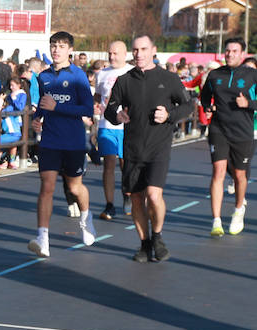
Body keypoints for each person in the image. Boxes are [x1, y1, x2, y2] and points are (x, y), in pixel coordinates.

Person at [103, 36, 192, 263]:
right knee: (136, 198)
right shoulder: (124, 80)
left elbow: (188, 105)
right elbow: (109, 109)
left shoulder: (168, 78)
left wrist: (169, 116)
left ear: (153, 50)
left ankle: (158, 236)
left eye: (143, 49)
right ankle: (144, 244)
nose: (139, 54)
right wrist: (117, 115)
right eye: (135, 50)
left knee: (153, 195)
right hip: (132, 148)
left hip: (158, 147)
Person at [27, 32, 95, 258]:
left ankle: (86, 218)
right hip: (50, 140)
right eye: (53, 45)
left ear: (70, 50)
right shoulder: (44, 76)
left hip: (73, 141)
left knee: (75, 188)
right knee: (46, 187)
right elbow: (44, 105)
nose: (56, 50)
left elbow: (87, 109)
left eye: (61, 46)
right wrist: (37, 119)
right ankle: (42, 238)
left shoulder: (78, 76)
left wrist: (58, 107)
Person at [199, 37, 255, 236]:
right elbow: (204, 95)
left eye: (234, 51)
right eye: (227, 51)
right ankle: (216, 221)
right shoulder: (215, 75)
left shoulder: (252, 75)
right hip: (218, 129)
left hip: (243, 132)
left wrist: (248, 104)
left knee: (240, 175)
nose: (230, 54)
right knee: (218, 171)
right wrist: (207, 106)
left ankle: (239, 210)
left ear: (242, 54)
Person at [92, 41, 129, 219]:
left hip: (126, 126)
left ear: (125, 54)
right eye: (110, 53)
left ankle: (127, 195)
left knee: (126, 164)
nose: (112, 57)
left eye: (116, 53)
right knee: (108, 164)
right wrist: (96, 105)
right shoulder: (102, 74)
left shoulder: (131, 72)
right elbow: (98, 95)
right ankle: (109, 205)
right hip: (106, 125)